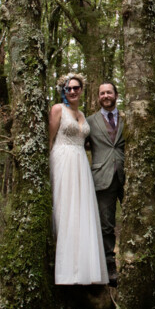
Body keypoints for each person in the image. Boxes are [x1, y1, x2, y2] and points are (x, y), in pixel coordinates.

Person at [49, 73, 108, 285]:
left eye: (76, 88)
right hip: (63, 160)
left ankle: (85, 269)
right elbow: (50, 139)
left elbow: (86, 140)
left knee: (82, 213)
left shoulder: (82, 114)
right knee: (66, 211)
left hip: (81, 163)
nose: (72, 91)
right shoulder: (58, 110)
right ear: (63, 91)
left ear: (81, 90)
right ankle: (65, 271)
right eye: (68, 88)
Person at [86, 82, 125, 286]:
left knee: (133, 219)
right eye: (102, 93)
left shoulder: (128, 118)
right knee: (106, 224)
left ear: (116, 95)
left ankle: (133, 260)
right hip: (102, 178)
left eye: (109, 92)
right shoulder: (90, 121)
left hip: (127, 176)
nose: (106, 95)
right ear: (98, 97)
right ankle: (110, 265)